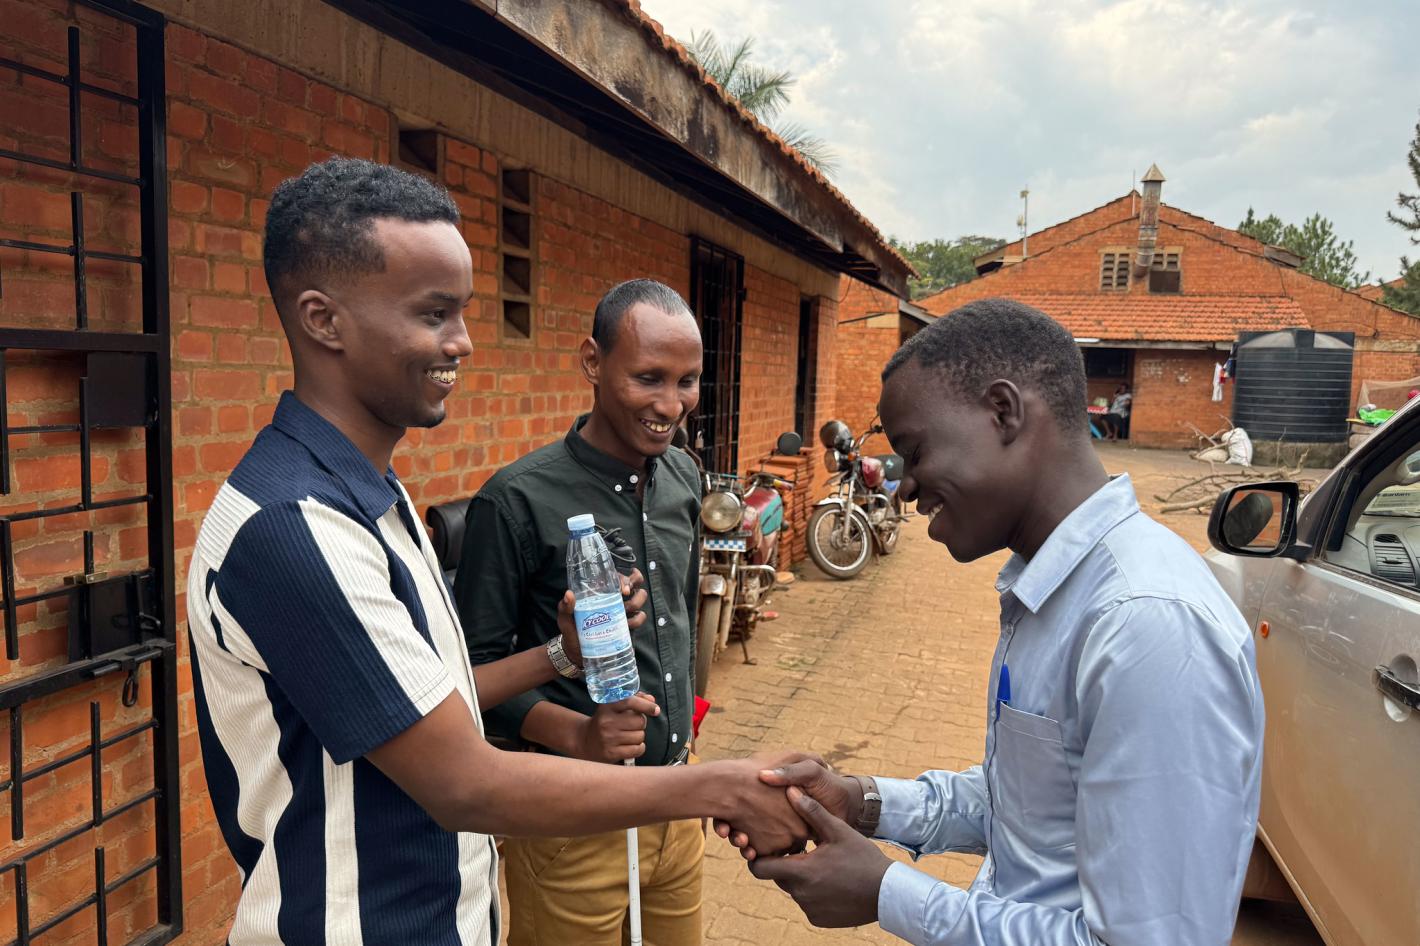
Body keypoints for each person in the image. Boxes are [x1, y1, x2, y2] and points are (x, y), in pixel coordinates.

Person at [185, 157, 807, 945]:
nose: (465, 342)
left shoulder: (374, 495)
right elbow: (465, 785)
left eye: (464, 312)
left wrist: (558, 652)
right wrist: (715, 788)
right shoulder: (295, 528)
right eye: (433, 314)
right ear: (324, 320)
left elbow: (439, 696)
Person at [722, 298, 1264, 946]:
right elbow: (1031, 806)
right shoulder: (1054, 593)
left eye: (916, 453)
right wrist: (861, 801)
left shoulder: (1146, 627)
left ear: (1004, 412)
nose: (905, 490)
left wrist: (887, 892)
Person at [458, 278, 708, 946]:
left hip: (677, 807)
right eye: (648, 377)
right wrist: (576, 734)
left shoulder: (685, 477)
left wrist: (687, 733)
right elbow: (466, 676)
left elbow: (679, 617)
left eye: (687, 381)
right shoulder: (515, 501)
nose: (669, 405)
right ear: (592, 362)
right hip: (571, 823)